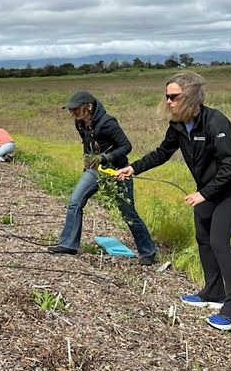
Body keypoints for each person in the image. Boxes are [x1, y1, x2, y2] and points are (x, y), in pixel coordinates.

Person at [117, 72, 231, 331]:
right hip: (207, 189)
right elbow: (162, 153)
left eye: (173, 96)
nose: (168, 101)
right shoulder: (178, 125)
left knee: (219, 242)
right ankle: (214, 293)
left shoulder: (215, 122)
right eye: (166, 96)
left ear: (189, 96)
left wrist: (204, 194)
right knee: (203, 239)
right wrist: (133, 168)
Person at [47, 91, 157, 266]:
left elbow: (126, 146)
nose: (73, 113)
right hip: (95, 170)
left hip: (117, 171)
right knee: (75, 201)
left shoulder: (108, 123)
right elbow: (87, 145)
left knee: (127, 212)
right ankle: (68, 244)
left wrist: (106, 158)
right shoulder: (80, 123)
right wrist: (88, 163)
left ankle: (148, 251)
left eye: (76, 109)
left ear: (88, 107)